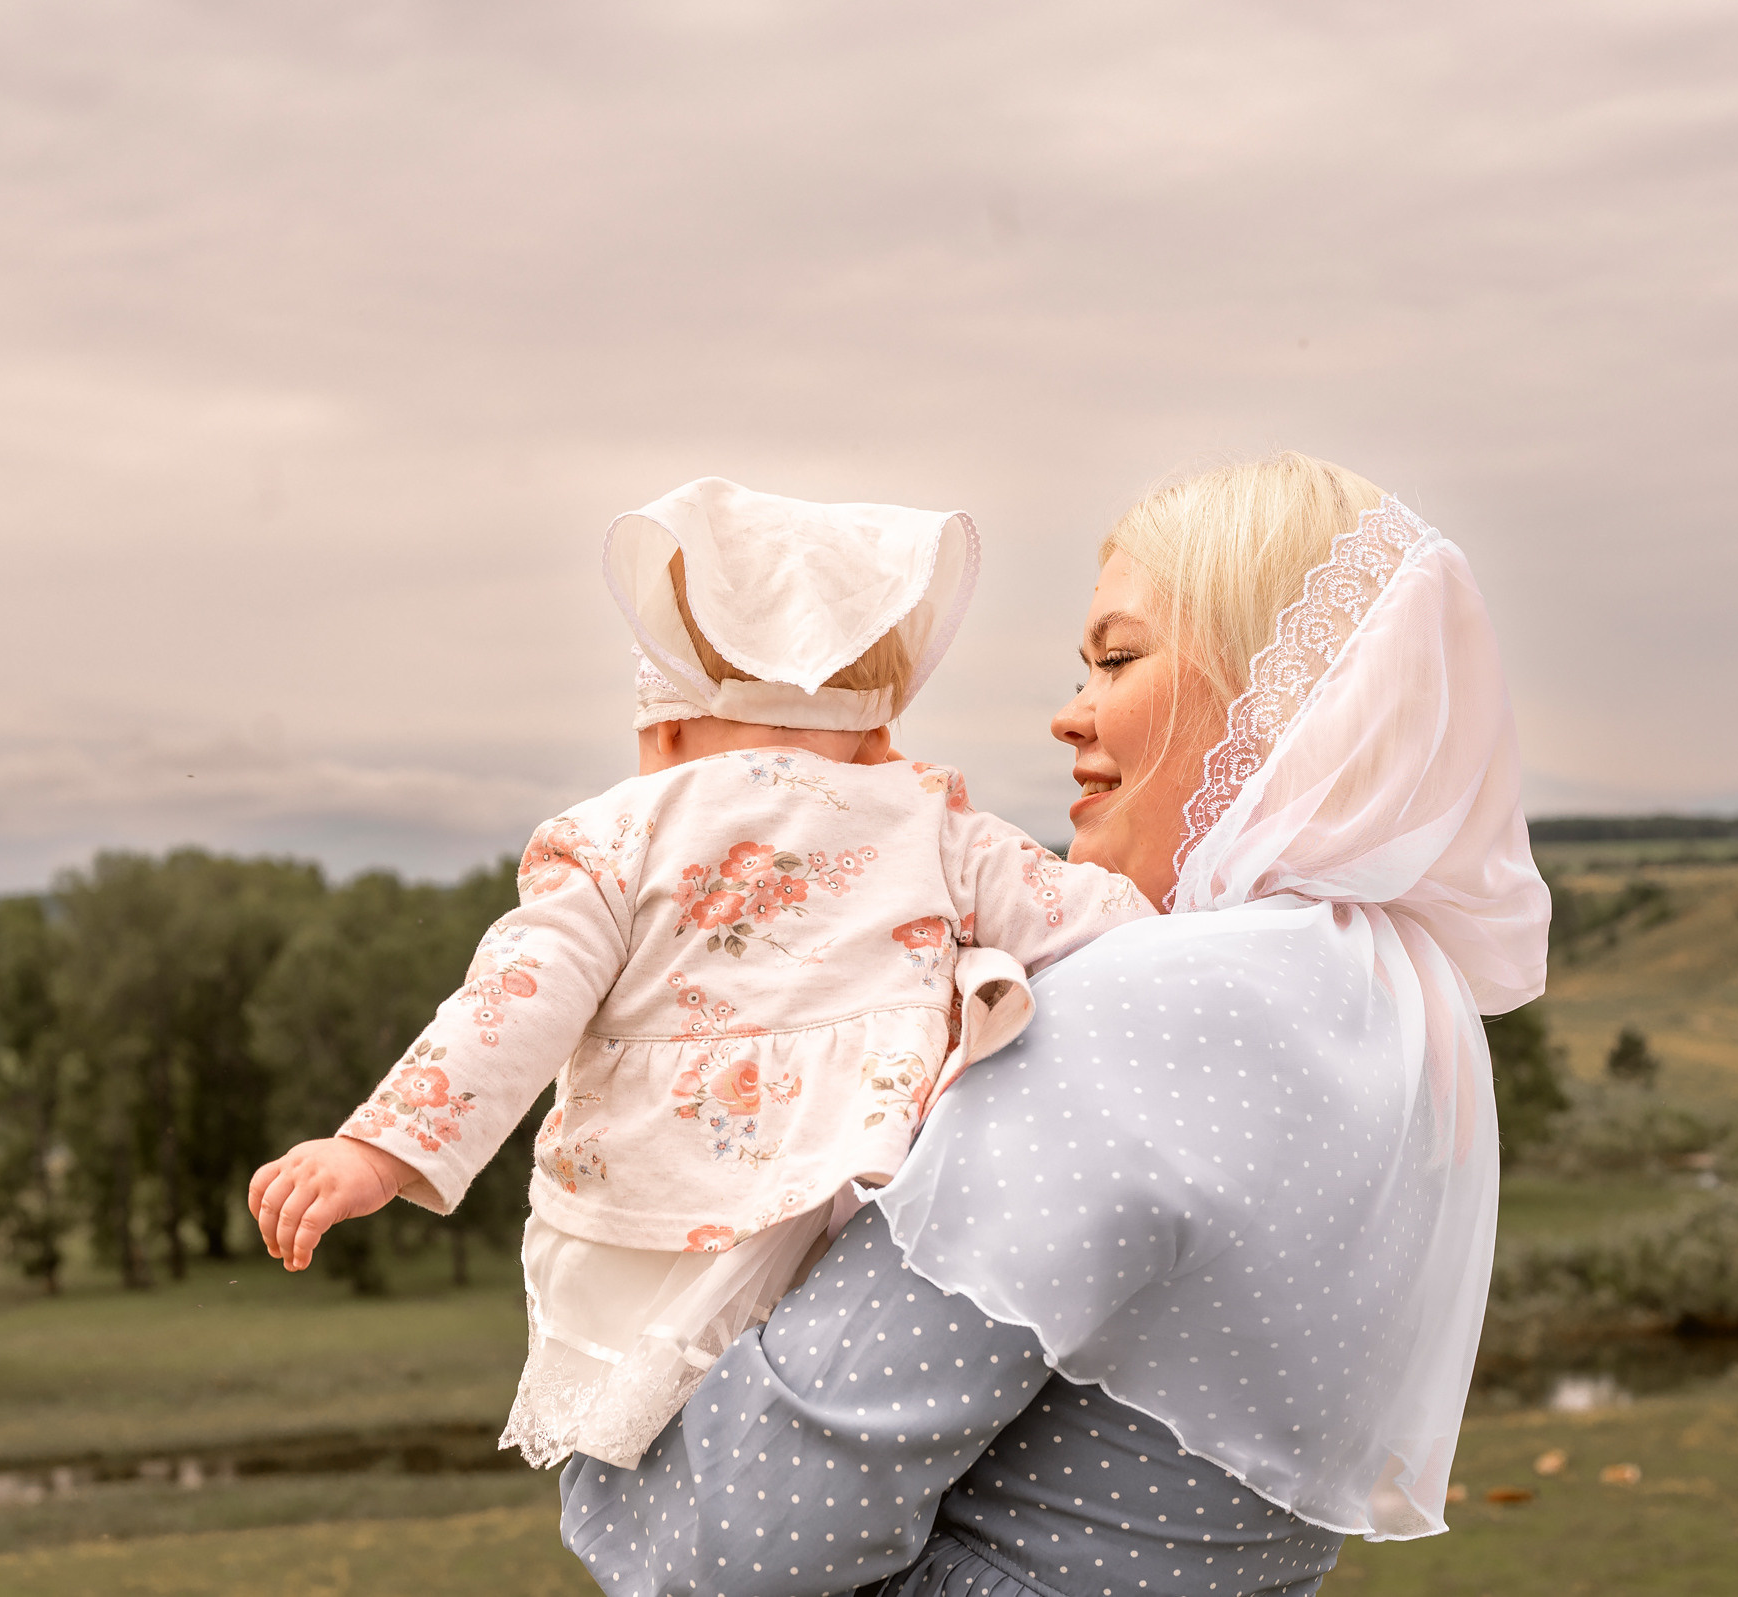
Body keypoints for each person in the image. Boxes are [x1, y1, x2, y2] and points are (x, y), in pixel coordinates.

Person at [561, 452, 1551, 1595]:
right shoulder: (1396, 1012)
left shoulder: (1153, 1008)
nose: (1068, 713)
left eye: (1119, 658)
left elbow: (748, 1527)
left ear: (1288, 697)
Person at [250, 477, 1153, 1471]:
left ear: (665, 732)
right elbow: (1109, 923)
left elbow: (513, 1003)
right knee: (858, 1451)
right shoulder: (930, 821)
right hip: (866, 1193)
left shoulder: (616, 833)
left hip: (659, 1206)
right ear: (881, 735)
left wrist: (377, 1152)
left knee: (674, 1470)